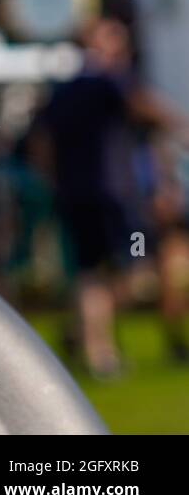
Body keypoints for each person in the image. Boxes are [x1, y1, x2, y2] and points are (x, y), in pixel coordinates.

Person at [38, 18, 185, 376]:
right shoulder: (109, 79)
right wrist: (180, 124)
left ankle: (95, 347)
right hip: (114, 192)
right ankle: (91, 339)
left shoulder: (62, 89)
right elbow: (145, 106)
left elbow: (40, 144)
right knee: (138, 272)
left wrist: (54, 181)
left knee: (91, 275)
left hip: (75, 193)